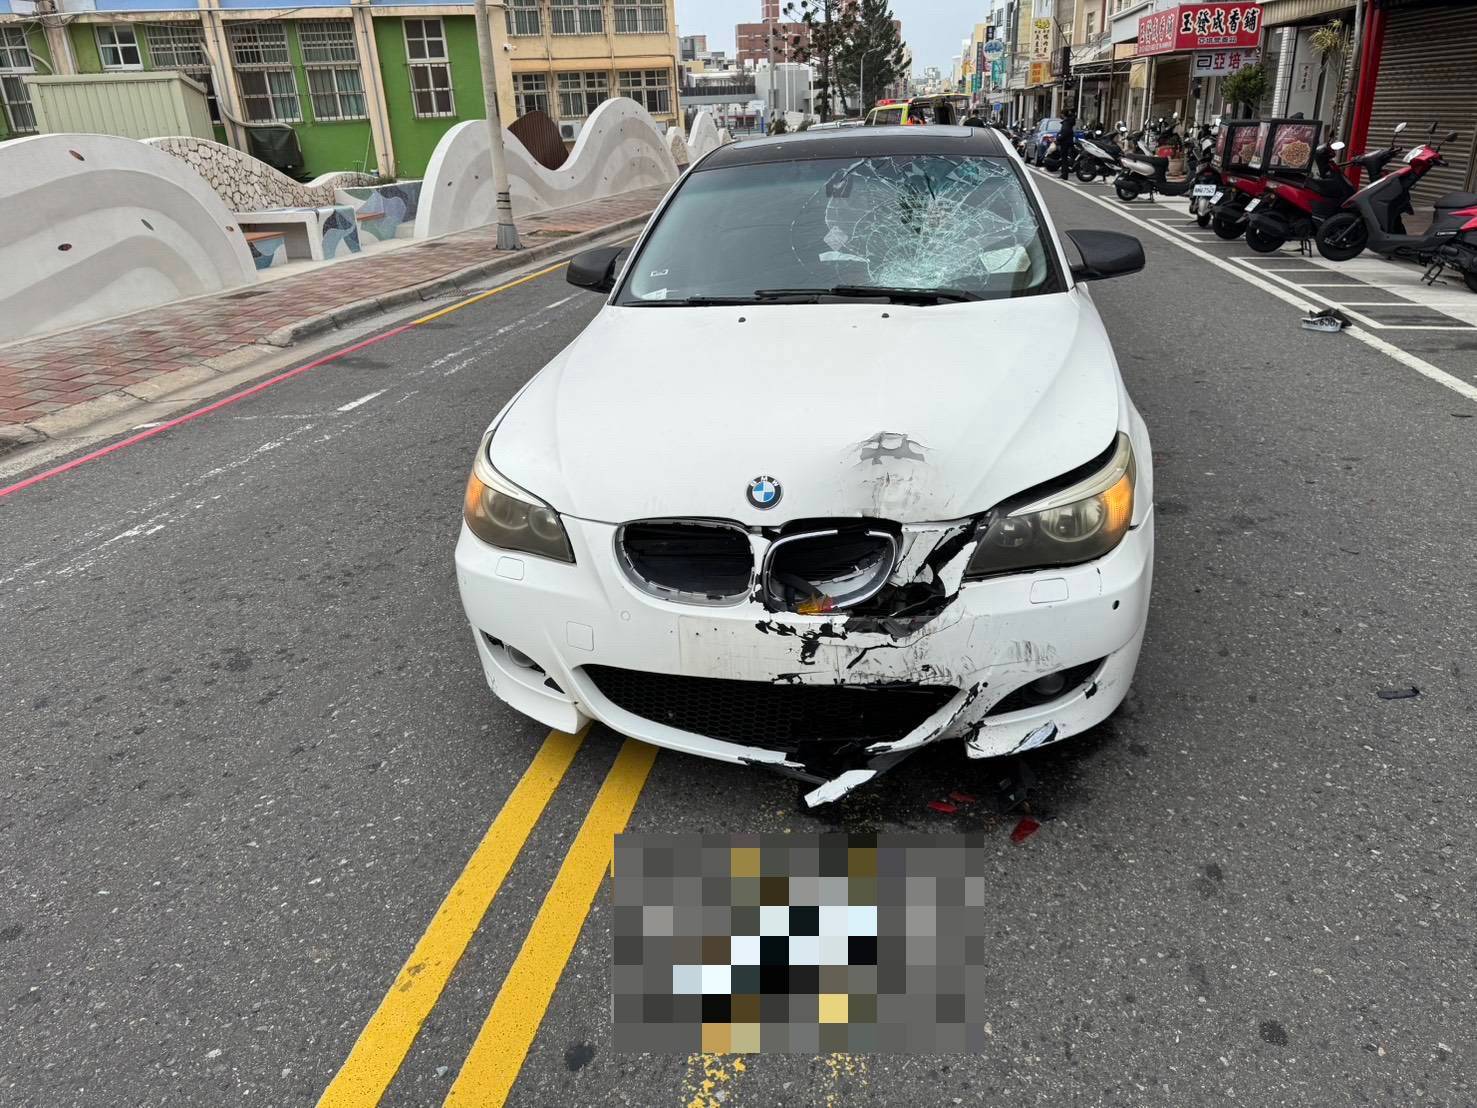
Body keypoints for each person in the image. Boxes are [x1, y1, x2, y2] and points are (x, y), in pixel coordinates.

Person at [1057, 106, 1077, 180]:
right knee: (1065, 158)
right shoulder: (1069, 121)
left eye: (1061, 114)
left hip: (1065, 143)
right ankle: (1064, 174)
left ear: (1063, 114)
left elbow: (1065, 132)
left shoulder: (1066, 123)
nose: (1060, 115)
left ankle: (1064, 174)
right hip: (1068, 142)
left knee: (1064, 159)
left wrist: (1059, 138)